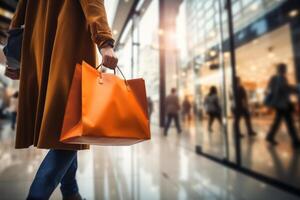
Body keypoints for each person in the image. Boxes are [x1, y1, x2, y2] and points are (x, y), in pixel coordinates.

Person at [5, 1, 118, 199]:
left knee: (64, 133)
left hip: (39, 59)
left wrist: (13, 61)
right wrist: (105, 42)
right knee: (69, 134)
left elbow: (17, 20)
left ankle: (71, 192)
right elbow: (93, 3)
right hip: (68, 55)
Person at [265, 63, 300, 149]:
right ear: (282, 69)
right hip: (283, 104)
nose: (285, 70)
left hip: (278, 104)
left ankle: (270, 136)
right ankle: (295, 141)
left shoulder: (274, 78)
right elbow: (285, 88)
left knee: (278, 121)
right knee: (290, 123)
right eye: (284, 68)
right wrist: (296, 89)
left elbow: (270, 90)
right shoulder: (282, 78)